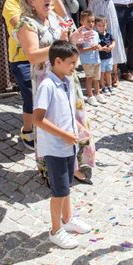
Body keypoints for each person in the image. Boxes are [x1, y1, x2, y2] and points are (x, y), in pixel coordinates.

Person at [15, 0, 95, 185]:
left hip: (67, 77)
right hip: (47, 80)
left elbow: (63, 45)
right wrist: (62, 45)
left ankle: (74, 165)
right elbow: (33, 56)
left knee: (73, 119)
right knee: (53, 123)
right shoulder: (27, 23)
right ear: (31, 1)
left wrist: (72, 39)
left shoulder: (53, 18)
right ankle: (52, 170)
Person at [33, 40, 92, 249]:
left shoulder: (66, 81)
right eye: (71, 63)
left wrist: (77, 128)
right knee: (59, 191)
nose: (74, 67)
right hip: (56, 148)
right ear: (57, 61)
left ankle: (68, 220)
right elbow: (38, 119)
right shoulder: (47, 85)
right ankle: (55, 230)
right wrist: (64, 135)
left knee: (67, 186)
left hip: (68, 145)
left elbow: (64, 112)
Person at [2, 0, 38, 149]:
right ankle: (27, 129)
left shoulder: (37, 4)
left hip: (40, 56)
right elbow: (19, 23)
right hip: (21, 59)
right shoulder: (11, 3)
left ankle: (41, 125)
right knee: (30, 94)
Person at [84, 0, 126, 87]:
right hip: (94, 8)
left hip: (108, 7)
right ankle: (96, 74)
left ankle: (114, 73)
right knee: (95, 38)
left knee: (111, 36)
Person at [77, 10, 104, 106]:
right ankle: (90, 96)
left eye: (92, 21)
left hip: (96, 59)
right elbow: (79, 49)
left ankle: (97, 93)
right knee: (89, 78)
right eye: (88, 21)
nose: (91, 23)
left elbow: (97, 45)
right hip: (87, 60)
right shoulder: (81, 34)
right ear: (82, 22)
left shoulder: (95, 33)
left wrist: (100, 47)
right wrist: (91, 48)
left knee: (97, 78)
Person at [95, 16, 114, 95]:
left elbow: (113, 41)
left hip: (109, 57)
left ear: (106, 24)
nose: (102, 27)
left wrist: (112, 46)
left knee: (108, 72)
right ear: (96, 26)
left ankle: (109, 85)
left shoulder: (108, 34)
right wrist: (102, 48)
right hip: (101, 58)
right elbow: (96, 46)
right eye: (99, 25)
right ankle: (103, 87)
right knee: (102, 73)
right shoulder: (96, 35)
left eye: (104, 25)